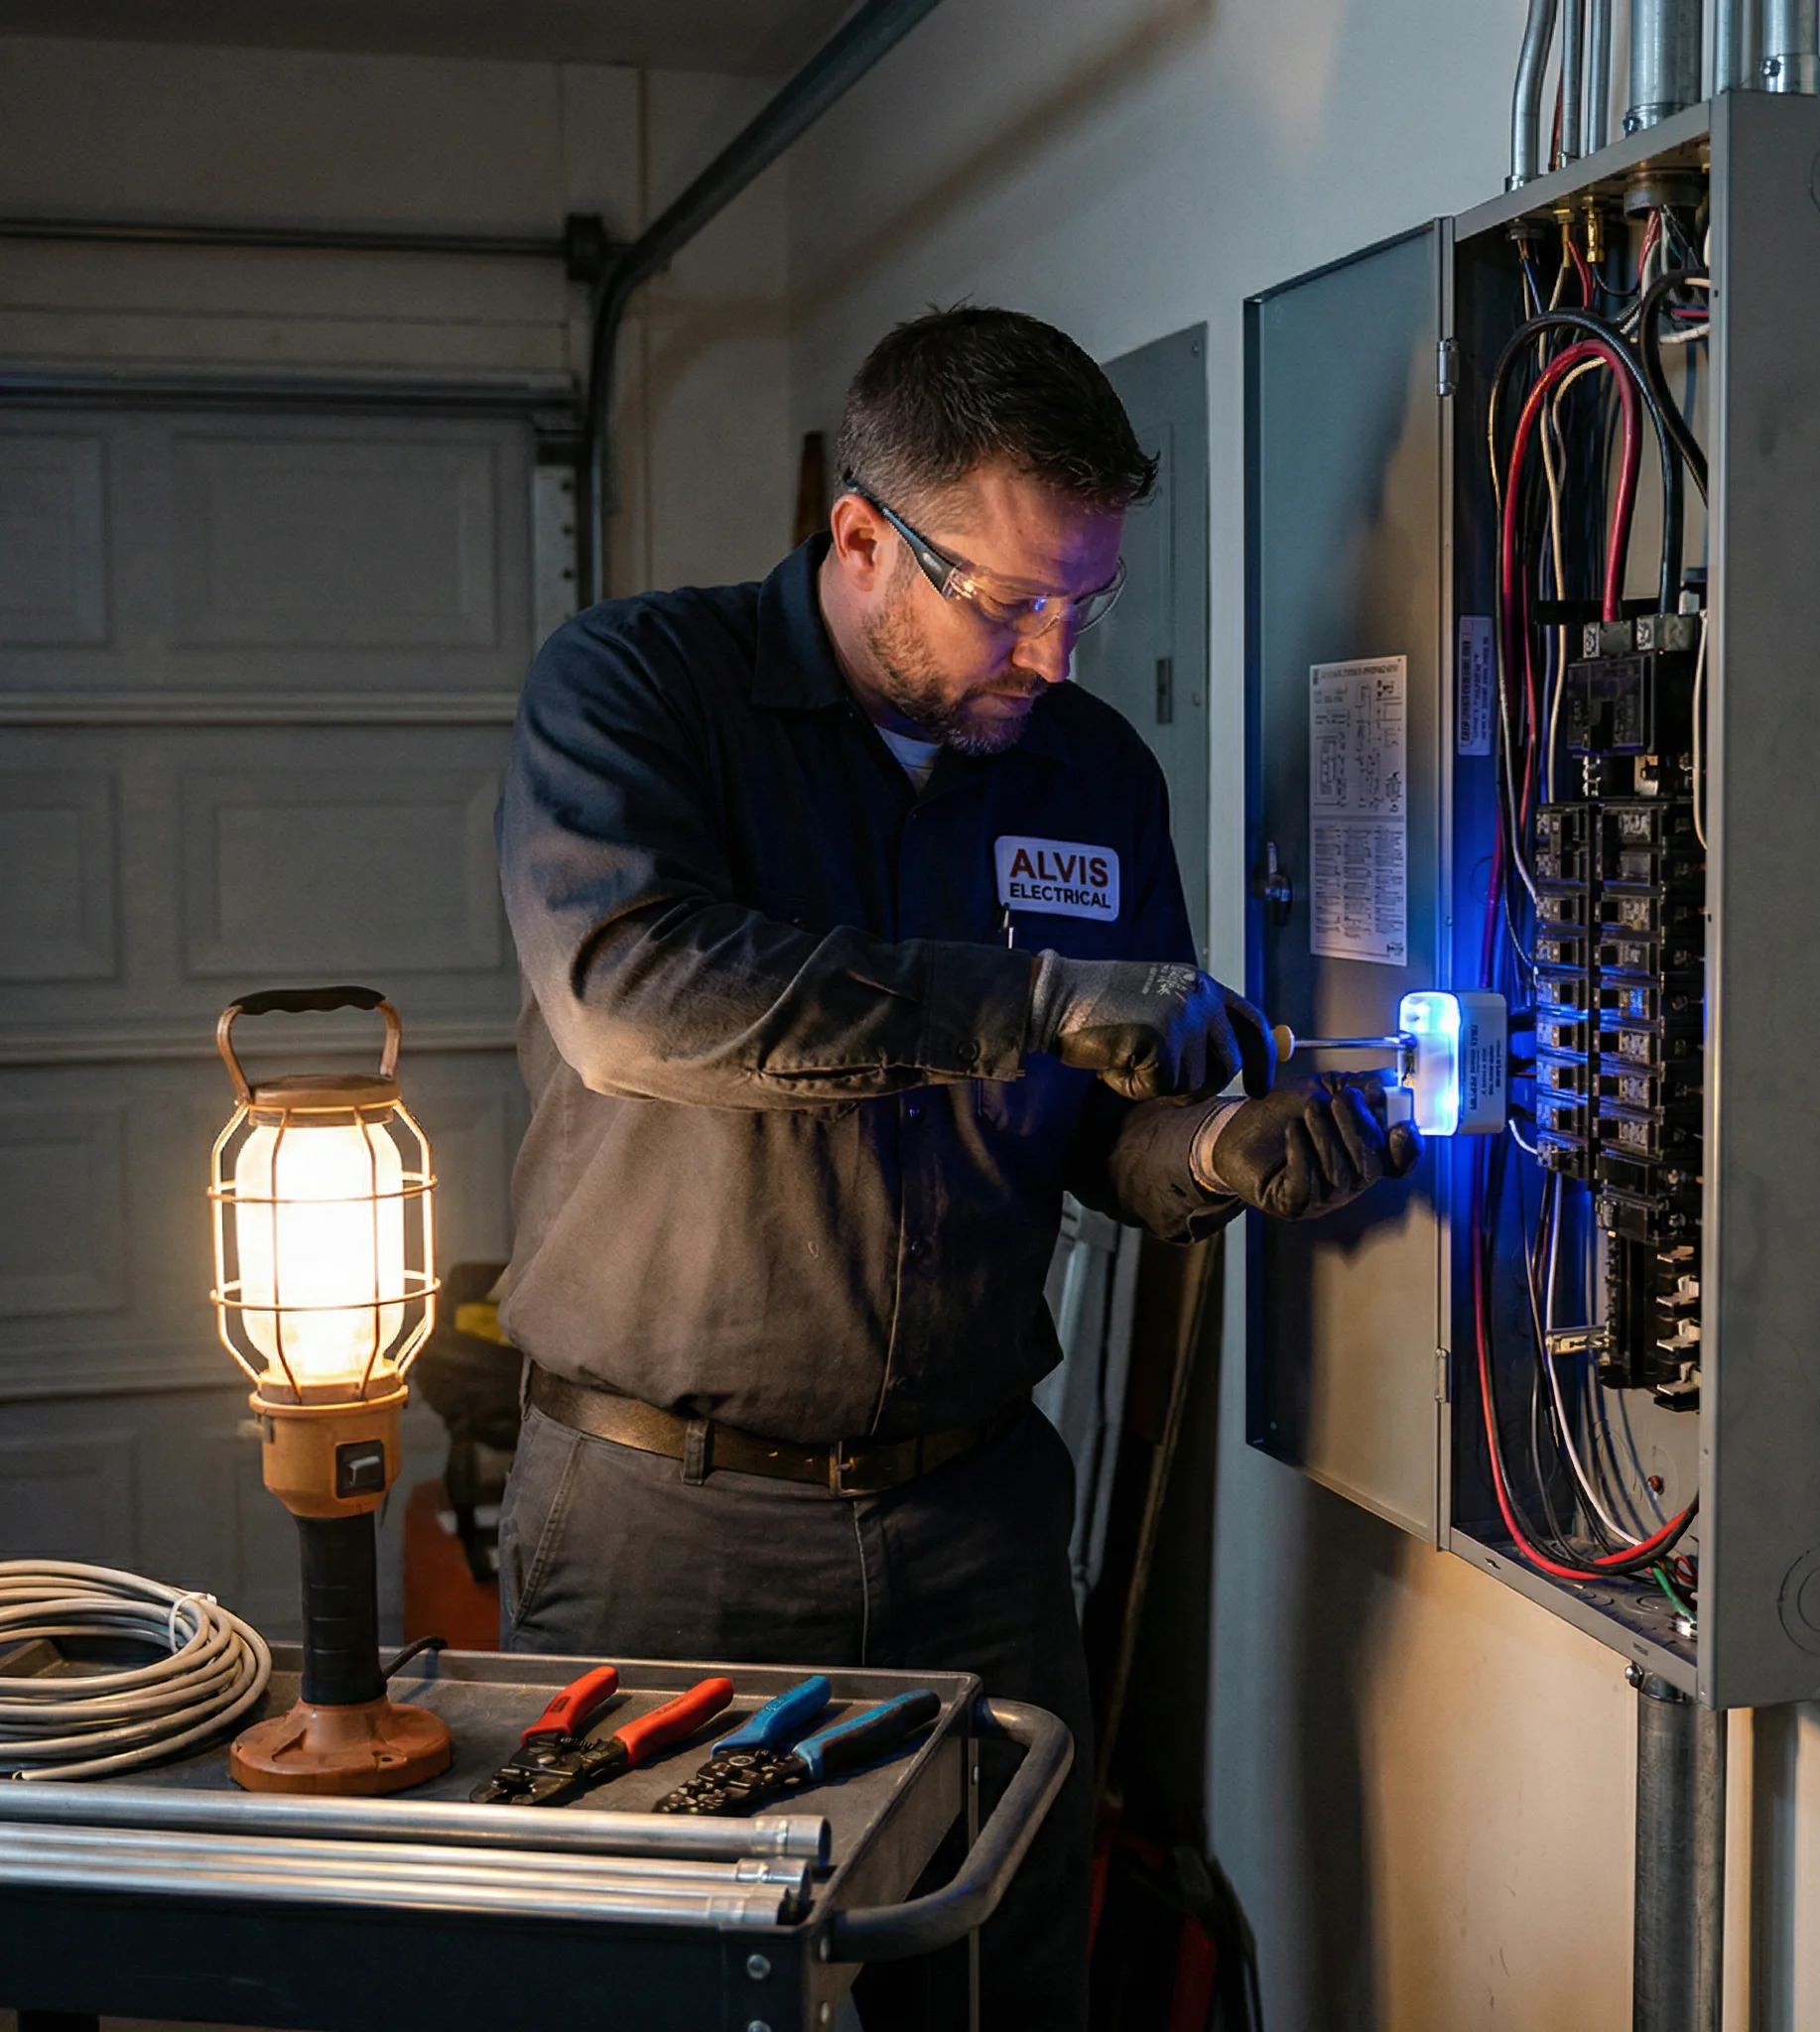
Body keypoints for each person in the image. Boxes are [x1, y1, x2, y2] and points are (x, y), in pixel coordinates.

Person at [493, 305, 1417, 2029]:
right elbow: (637, 1000)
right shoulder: (640, 692)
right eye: (1007, 599)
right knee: (649, 2001)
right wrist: (1044, 998)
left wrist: (1217, 1145)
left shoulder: (1087, 773)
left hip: (976, 1528)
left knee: (998, 1997)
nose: (1054, 651)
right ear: (861, 537)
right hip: (663, 1528)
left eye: (1086, 599)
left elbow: (1102, 1138)